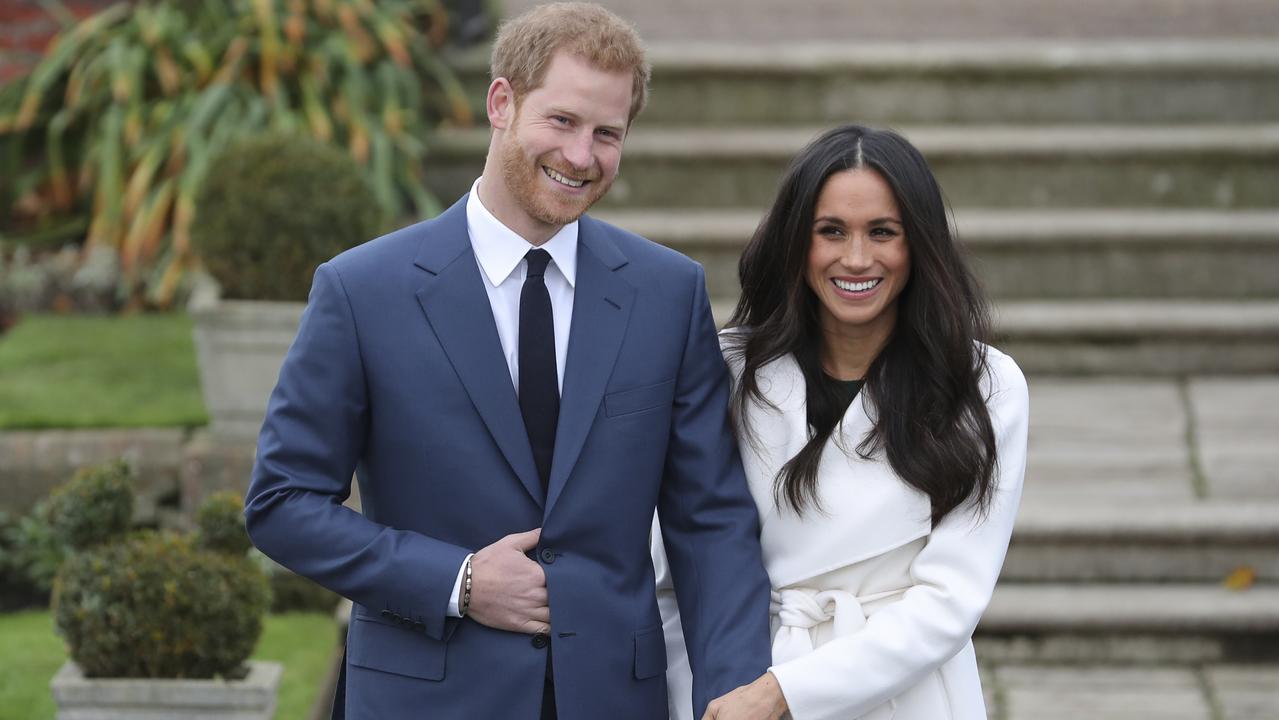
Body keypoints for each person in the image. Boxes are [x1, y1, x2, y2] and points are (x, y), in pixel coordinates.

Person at [243, 4, 772, 719]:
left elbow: (710, 522)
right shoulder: (362, 291)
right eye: (561, 121)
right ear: (501, 102)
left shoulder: (665, 293)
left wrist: (735, 693)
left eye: (606, 134)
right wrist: (455, 580)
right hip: (424, 699)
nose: (581, 156)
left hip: (612, 699)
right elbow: (282, 503)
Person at [653, 124, 1029, 720]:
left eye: (884, 232)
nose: (856, 259)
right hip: (735, 680)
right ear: (796, 243)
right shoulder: (726, 370)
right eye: (831, 232)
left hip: (905, 693)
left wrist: (785, 692)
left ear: (920, 244)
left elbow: (950, 601)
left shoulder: (983, 385)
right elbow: (677, 568)